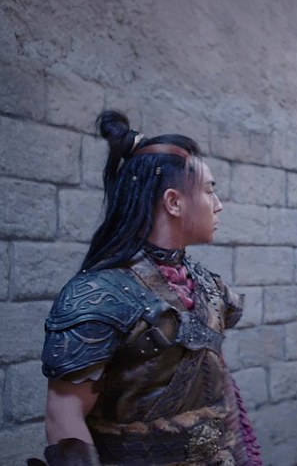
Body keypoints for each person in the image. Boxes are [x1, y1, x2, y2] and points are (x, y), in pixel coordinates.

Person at [36, 111, 261, 465]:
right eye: (208, 191)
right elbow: (63, 418)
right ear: (173, 202)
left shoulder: (208, 286)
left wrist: (244, 456)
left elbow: (222, 387)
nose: (218, 205)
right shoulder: (98, 295)